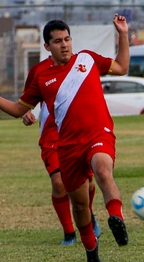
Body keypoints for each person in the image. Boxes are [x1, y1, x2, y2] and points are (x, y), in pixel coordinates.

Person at [0, 15, 131, 262]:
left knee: (102, 170)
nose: (64, 45)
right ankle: (90, 247)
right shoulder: (40, 74)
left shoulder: (87, 59)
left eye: (67, 39)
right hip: (67, 145)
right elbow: (18, 109)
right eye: (57, 41)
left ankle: (116, 219)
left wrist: (122, 34)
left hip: (99, 133)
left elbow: (121, 67)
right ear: (47, 47)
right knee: (78, 204)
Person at [21, 102, 101, 246]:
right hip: (51, 137)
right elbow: (29, 94)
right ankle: (69, 233)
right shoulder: (42, 78)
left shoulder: (80, 78)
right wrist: (25, 111)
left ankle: (88, 214)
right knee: (59, 183)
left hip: (77, 132)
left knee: (86, 184)